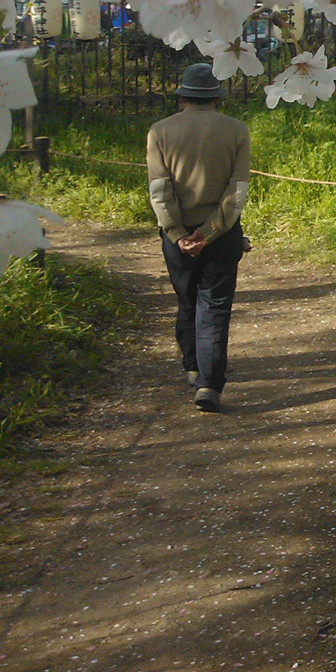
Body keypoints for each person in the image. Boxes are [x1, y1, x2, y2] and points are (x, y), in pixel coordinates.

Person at [146, 63, 251, 412]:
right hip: (221, 234)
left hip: (177, 236)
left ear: (182, 96)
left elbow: (160, 190)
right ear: (217, 98)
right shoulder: (236, 131)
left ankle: (192, 366)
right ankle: (209, 384)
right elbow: (236, 191)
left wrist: (178, 234)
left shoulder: (159, 132)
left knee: (187, 300)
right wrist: (209, 232)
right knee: (215, 306)